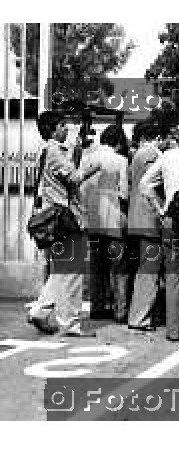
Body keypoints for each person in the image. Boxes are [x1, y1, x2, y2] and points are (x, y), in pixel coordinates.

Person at [27, 111, 102, 335]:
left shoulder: (49, 150)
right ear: (52, 129)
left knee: (62, 269)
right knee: (73, 269)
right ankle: (70, 322)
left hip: (56, 217)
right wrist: (95, 164)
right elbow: (74, 178)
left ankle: (40, 311)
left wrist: (77, 151)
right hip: (66, 218)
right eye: (62, 125)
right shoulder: (54, 151)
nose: (66, 129)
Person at [140, 123, 179, 341]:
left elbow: (144, 184)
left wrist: (160, 209)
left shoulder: (167, 156)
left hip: (170, 221)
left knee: (173, 277)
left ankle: (173, 330)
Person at [80, 124, 129, 323]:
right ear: (118, 142)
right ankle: (120, 310)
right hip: (114, 220)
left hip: (92, 219)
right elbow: (124, 193)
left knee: (96, 266)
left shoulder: (87, 158)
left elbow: (81, 188)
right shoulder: (121, 161)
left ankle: (97, 307)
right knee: (119, 266)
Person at [127, 121, 168, 331]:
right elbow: (154, 184)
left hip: (137, 218)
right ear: (157, 136)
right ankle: (139, 317)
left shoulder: (136, 155)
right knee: (149, 268)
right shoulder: (150, 155)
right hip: (149, 218)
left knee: (146, 267)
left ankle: (139, 314)